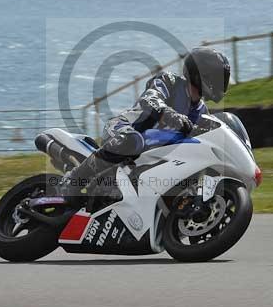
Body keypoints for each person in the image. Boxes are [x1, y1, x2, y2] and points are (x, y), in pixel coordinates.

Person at [60, 46, 231, 206]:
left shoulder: (202, 111)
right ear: (201, 73)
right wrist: (169, 114)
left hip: (152, 152)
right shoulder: (170, 81)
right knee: (132, 140)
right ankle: (74, 179)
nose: (221, 82)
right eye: (218, 77)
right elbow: (150, 98)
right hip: (124, 128)